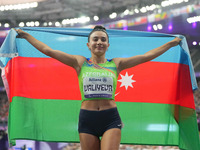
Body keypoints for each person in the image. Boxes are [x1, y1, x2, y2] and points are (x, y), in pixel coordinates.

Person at [15, 26, 181, 150]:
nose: (99, 42)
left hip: (110, 118)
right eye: (95, 39)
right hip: (87, 119)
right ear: (88, 44)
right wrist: (26, 35)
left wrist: (171, 44)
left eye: (103, 39)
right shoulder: (79, 62)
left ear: (108, 45)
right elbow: (48, 50)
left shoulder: (116, 64)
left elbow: (146, 56)